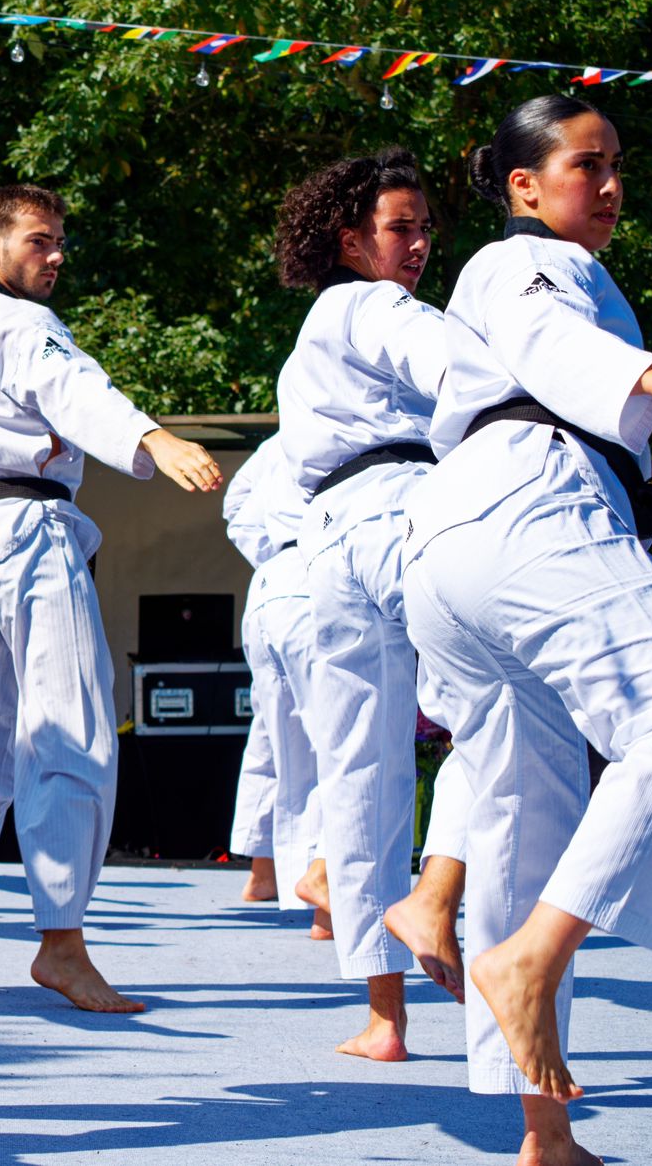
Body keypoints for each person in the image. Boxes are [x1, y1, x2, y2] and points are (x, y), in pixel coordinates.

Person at [403, 95, 652, 1166]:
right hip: (526, 506)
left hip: (455, 538)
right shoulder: (520, 265)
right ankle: (532, 959)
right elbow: (545, 338)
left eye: (613, 167)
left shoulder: (523, 275)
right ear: (521, 186)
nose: (604, 186)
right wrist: (647, 377)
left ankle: (541, 1135)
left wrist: (641, 457)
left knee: (522, 825)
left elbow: (541, 371)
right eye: (582, 164)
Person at [0, 184, 223, 1011]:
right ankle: (61, 943)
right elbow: (75, 393)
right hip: (29, 531)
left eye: (60, 242)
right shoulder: (23, 325)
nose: (54, 255)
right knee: (70, 730)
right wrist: (153, 439)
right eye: (37, 241)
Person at [272, 148, 471, 1062]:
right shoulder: (376, 304)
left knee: (359, 766)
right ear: (351, 240)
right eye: (402, 227)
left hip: (331, 540)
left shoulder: (315, 331)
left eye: (427, 226)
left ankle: (383, 1017)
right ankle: (436, 899)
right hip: (403, 514)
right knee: (500, 711)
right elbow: (458, 366)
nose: (421, 243)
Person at [222, 434, 324, 919]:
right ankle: (326, 888)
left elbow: (236, 506)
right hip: (318, 573)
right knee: (339, 743)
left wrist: (267, 552)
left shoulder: (280, 440)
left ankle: (264, 873)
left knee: (271, 736)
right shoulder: (374, 413)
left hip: (270, 584)